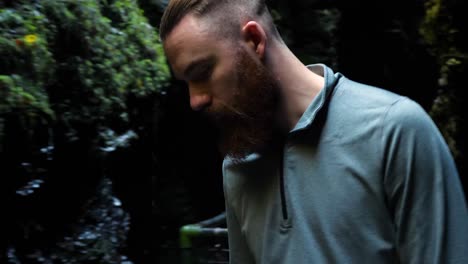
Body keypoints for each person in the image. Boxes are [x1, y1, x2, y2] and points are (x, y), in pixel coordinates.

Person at [159, 0, 468, 263]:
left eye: (201, 74)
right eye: (186, 83)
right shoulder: (238, 168)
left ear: (254, 40)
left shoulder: (395, 131)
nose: (194, 100)